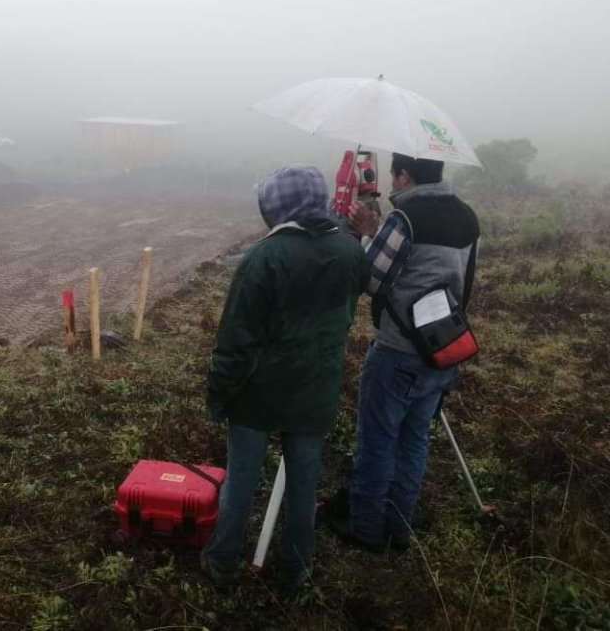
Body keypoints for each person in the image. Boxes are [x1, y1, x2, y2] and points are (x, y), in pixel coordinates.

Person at [201, 165, 368, 590]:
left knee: (242, 476)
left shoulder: (264, 257)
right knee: (304, 480)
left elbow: (236, 339)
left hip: (258, 393)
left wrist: (219, 393)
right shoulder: (351, 251)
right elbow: (347, 312)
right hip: (316, 388)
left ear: (277, 204)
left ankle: (222, 560)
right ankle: (295, 568)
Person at [331, 153, 480, 551]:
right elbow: (464, 284)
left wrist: (366, 234)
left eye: (395, 178)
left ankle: (364, 527)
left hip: (398, 350)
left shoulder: (406, 217)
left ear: (404, 175)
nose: (393, 186)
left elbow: (371, 279)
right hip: (442, 348)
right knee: (415, 440)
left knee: (377, 441)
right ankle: (399, 526)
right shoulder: (466, 216)